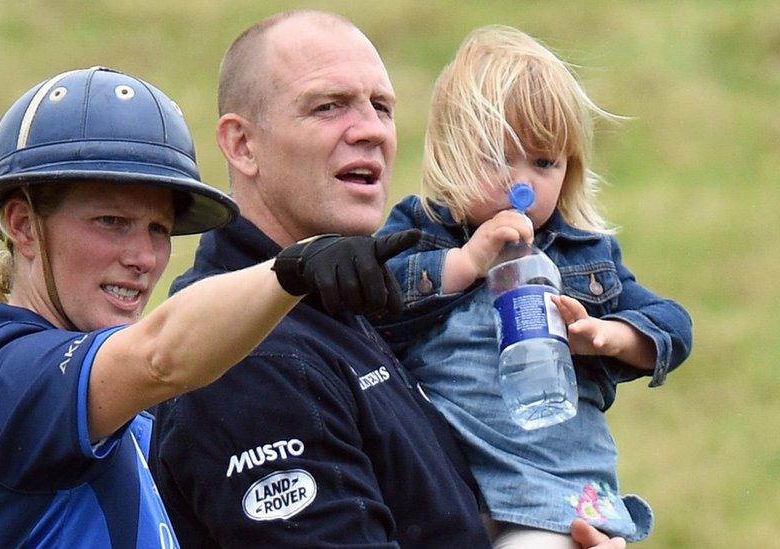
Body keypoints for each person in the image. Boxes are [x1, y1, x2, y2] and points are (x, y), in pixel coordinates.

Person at [151, 12, 629, 548]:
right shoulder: (250, 357)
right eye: (328, 106)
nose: (371, 130)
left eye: (382, 107)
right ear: (242, 145)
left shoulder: (341, 300)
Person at [0, 66, 418, 548]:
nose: (143, 257)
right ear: (21, 225)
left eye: (158, 229)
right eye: (111, 221)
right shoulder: (1, 382)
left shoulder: (127, 413)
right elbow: (159, 357)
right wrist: (292, 271)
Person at [372, 26, 693, 547]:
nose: (520, 182)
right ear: (451, 154)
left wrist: (611, 336)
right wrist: (466, 261)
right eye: (498, 156)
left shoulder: (582, 254)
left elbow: (673, 326)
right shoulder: (419, 230)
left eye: (544, 162)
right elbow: (373, 307)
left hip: (552, 499)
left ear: (568, 172)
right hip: (445, 490)